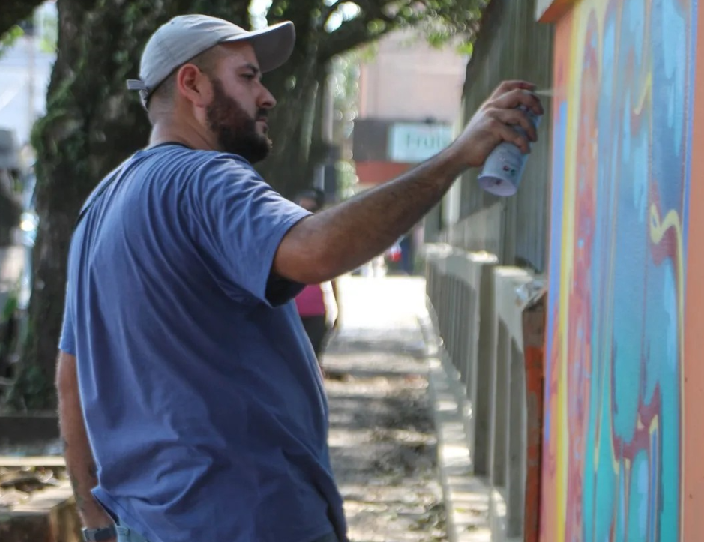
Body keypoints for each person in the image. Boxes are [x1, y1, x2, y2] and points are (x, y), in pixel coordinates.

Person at [55, 13, 543, 542]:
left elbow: (69, 380)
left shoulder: (100, 206)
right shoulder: (204, 178)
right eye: (247, 76)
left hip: (145, 527)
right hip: (245, 521)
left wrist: (96, 524)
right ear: (191, 83)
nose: (266, 96)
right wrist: (456, 156)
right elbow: (315, 250)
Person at [293, 188, 339, 364]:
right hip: (290, 312)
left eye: (311, 210)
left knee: (312, 361)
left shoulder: (325, 240)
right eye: (301, 208)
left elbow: (333, 276)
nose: (305, 214)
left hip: (315, 312)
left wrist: (338, 309)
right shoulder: (284, 236)